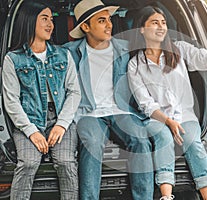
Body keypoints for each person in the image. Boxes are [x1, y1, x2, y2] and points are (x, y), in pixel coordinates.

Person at [127, 6, 207, 200]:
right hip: (158, 119)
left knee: (194, 144)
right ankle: (166, 196)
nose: (161, 27)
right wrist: (168, 122)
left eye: (163, 22)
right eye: (155, 23)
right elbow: (146, 104)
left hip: (185, 116)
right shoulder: (135, 64)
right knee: (164, 138)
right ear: (142, 29)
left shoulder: (179, 49)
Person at [63, 0, 154, 199]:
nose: (109, 25)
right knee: (92, 142)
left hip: (122, 111)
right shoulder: (69, 53)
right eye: (101, 21)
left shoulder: (126, 48)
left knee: (140, 138)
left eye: (109, 19)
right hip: (89, 113)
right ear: (85, 27)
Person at [2, 1, 81, 200]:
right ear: (29, 22)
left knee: (65, 162)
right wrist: (32, 131)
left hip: (60, 119)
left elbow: (74, 92)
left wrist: (61, 125)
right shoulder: (13, 59)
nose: (50, 24)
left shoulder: (64, 54)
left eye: (51, 20)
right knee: (28, 162)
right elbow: (11, 101)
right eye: (44, 19)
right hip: (28, 120)